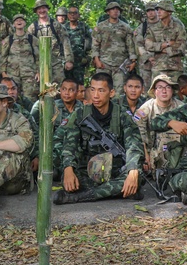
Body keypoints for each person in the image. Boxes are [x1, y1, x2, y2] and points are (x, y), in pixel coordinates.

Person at [56, 71, 143, 204]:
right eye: (92, 90)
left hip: (115, 171)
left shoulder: (122, 116)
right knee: (69, 179)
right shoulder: (80, 114)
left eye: (101, 90)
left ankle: (80, 197)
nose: (95, 95)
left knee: (137, 176)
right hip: (87, 171)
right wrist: (68, 169)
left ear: (111, 93)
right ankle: (114, 192)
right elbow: (69, 145)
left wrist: (132, 171)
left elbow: (134, 145)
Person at [28, 77, 80, 176]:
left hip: (74, 149)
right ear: (59, 90)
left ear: (77, 92)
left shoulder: (82, 109)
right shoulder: (51, 107)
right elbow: (39, 131)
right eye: (64, 89)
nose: (67, 93)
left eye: (71, 90)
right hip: (54, 150)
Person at [132, 74, 184, 170]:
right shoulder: (145, 109)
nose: (164, 91)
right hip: (152, 152)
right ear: (154, 91)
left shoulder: (181, 108)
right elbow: (138, 136)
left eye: (168, 87)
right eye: (160, 87)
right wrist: (145, 157)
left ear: (172, 90)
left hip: (176, 150)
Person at [91, 1, 137, 92]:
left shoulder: (125, 27)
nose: (115, 11)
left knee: (119, 92)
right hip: (104, 63)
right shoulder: (100, 27)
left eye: (117, 9)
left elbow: (130, 45)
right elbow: (95, 44)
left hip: (120, 64)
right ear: (108, 12)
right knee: (101, 89)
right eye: (113, 9)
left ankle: (118, 106)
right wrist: (96, 59)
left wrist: (133, 61)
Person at [29, 0, 73, 87]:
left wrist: (69, 60)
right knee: (42, 89)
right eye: (39, 9)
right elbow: (29, 47)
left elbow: (65, 42)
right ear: (36, 11)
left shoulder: (56, 25)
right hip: (40, 64)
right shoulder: (32, 27)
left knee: (59, 88)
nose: (42, 11)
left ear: (47, 9)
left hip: (56, 62)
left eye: (43, 8)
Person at [0, 14, 40, 102]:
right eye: (16, 21)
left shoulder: (32, 39)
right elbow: (3, 57)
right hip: (12, 75)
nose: (19, 22)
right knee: (11, 98)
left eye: (21, 20)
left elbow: (38, 56)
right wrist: (3, 73)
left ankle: (30, 115)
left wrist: (38, 71)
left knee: (30, 98)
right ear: (13, 24)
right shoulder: (8, 40)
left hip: (29, 75)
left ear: (25, 23)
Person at [145, 0, 187, 82]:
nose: (158, 12)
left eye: (162, 9)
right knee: (158, 92)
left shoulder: (178, 26)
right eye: (158, 10)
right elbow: (148, 45)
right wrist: (166, 44)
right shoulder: (153, 28)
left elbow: (181, 45)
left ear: (169, 12)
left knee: (176, 92)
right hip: (158, 67)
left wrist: (164, 50)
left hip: (175, 67)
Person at [62, 5, 92, 85]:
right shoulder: (63, 28)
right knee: (66, 83)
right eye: (70, 13)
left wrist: (88, 57)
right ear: (67, 15)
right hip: (66, 62)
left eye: (75, 13)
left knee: (79, 85)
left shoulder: (84, 27)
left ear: (78, 15)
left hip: (80, 62)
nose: (72, 15)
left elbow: (90, 43)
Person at [134, 2, 160, 89]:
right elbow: (139, 45)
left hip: (161, 63)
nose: (150, 13)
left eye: (153, 10)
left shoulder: (164, 25)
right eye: (148, 11)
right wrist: (149, 57)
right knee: (145, 89)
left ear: (157, 11)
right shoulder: (142, 27)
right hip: (146, 64)